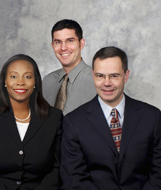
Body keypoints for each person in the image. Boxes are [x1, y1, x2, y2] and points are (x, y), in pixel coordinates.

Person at [60, 46, 161, 189]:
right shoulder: (73, 122)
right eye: (100, 76)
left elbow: (158, 172)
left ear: (126, 76)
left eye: (114, 76)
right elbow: (74, 178)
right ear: (93, 75)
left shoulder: (152, 117)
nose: (107, 83)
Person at [0, 54, 63, 189]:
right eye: (14, 76)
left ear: (35, 82)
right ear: (5, 81)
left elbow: (58, 169)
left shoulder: (54, 118)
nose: (20, 82)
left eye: (27, 76)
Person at [43, 19, 96, 115]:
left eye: (70, 41)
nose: (63, 48)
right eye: (58, 42)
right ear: (52, 45)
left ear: (81, 44)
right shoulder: (47, 81)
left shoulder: (96, 81)